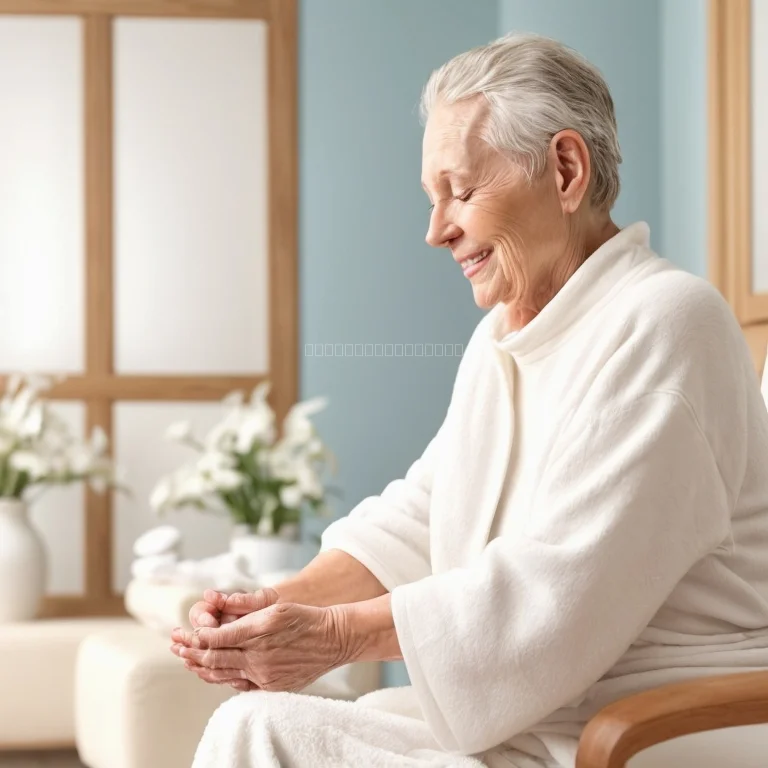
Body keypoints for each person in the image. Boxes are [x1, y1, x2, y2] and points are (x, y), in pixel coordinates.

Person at [169, 32, 768, 767]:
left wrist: (335, 637)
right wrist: (282, 604)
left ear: (566, 170)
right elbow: (424, 513)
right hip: (543, 716)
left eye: (461, 190)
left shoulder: (669, 322)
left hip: (652, 725)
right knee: (253, 726)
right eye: (432, 199)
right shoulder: (502, 340)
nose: (435, 230)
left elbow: (560, 596)